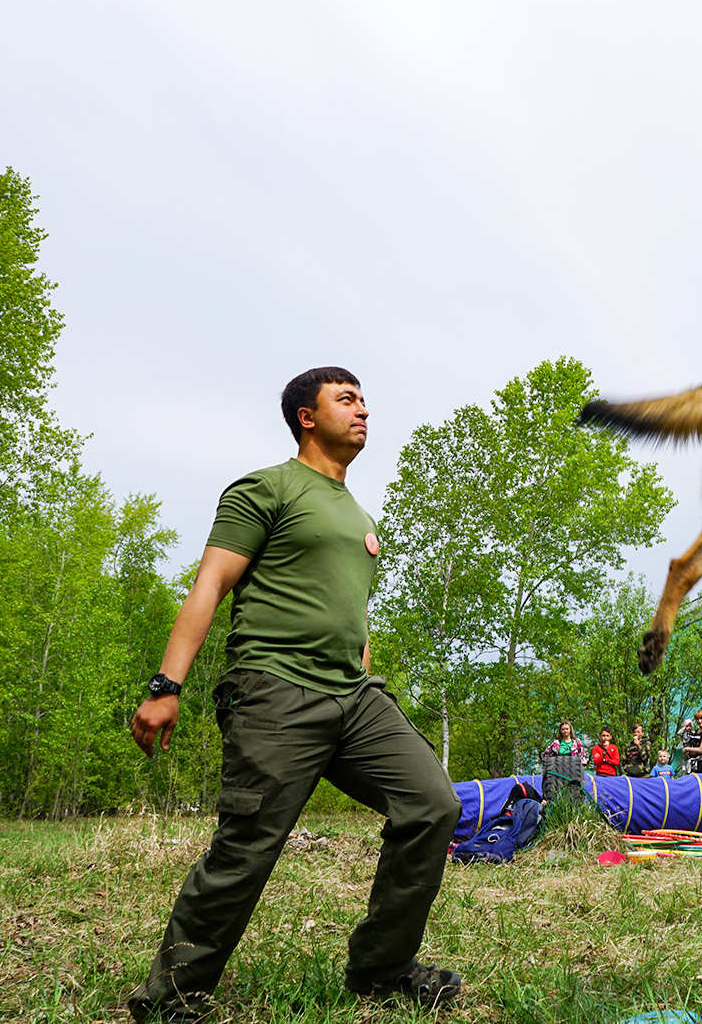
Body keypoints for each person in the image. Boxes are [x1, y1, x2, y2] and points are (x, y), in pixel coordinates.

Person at [126, 368, 461, 1021]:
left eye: (363, 399)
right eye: (346, 399)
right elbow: (209, 584)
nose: (363, 409)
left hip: (355, 696)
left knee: (432, 805)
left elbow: (352, 614)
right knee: (248, 845)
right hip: (274, 689)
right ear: (307, 416)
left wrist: (368, 680)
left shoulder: (360, 515)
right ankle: (171, 996)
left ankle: (382, 969)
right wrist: (166, 685)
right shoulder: (267, 488)